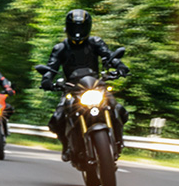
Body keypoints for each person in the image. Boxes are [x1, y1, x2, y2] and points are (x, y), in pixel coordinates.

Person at [40, 9, 129, 161]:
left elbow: (108, 56)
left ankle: (118, 141)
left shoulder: (95, 43)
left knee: (119, 110)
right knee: (57, 119)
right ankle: (67, 146)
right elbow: (52, 66)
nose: (78, 32)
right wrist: (47, 79)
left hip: (95, 86)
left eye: (81, 28)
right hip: (72, 88)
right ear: (68, 28)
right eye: (75, 28)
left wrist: (119, 66)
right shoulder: (60, 48)